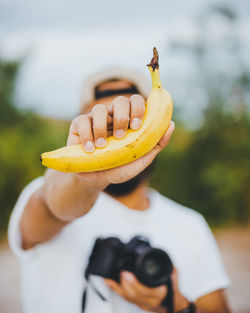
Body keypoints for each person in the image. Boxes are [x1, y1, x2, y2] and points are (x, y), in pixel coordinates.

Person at [8, 67, 232, 313]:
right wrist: (84, 181)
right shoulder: (46, 195)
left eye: (128, 125)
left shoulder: (190, 225)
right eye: (100, 123)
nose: (115, 132)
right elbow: (54, 206)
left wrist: (175, 305)